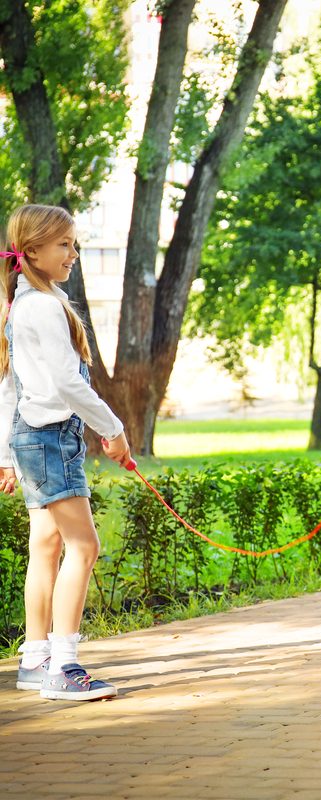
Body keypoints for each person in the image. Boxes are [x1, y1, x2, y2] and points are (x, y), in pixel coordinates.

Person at [1, 204, 133, 700]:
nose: (73, 254)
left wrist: (6, 455)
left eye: (75, 244)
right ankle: (64, 667)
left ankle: (36, 659)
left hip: (33, 437)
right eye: (65, 245)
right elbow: (62, 383)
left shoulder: (27, 302)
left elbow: (11, 388)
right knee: (84, 546)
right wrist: (113, 429)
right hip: (52, 437)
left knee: (47, 546)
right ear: (31, 250)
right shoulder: (39, 306)